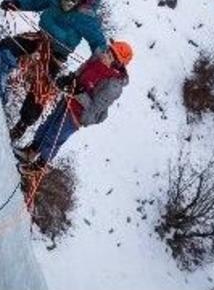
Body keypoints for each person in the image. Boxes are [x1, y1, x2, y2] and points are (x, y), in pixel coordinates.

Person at [0, 0, 109, 142]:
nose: (64, 4)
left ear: (77, 1)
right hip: (41, 37)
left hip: (57, 53)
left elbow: (98, 42)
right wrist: (16, 3)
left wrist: (103, 62)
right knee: (9, 45)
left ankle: (22, 125)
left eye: (68, 2)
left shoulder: (86, 18)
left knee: (41, 89)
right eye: (63, 0)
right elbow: (35, 0)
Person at [15, 40, 133, 193]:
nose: (106, 55)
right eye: (108, 52)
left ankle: (38, 167)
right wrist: (71, 78)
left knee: (54, 136)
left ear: (117, 64)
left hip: (79, 114)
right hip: (69, 98)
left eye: (110, 56)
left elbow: (95, 108)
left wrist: (79, 92)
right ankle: (31, 151)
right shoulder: (97, 60)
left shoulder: (113, 86)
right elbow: (81, 72)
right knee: (48, 125)